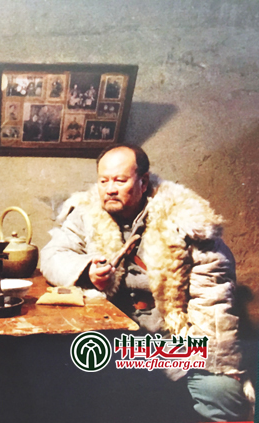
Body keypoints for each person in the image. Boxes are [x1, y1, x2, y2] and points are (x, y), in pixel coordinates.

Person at [40, 145, 254, 422]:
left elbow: (213, 298)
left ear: (143, 182)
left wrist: (210, 358)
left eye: (120, 180)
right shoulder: (86, 214)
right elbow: (52, 255)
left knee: (222, 393)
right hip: (113, 337)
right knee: (63, 382)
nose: (110, 189)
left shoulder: (186, 219)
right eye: (103, 181)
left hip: (174, 339)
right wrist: (87, 270)